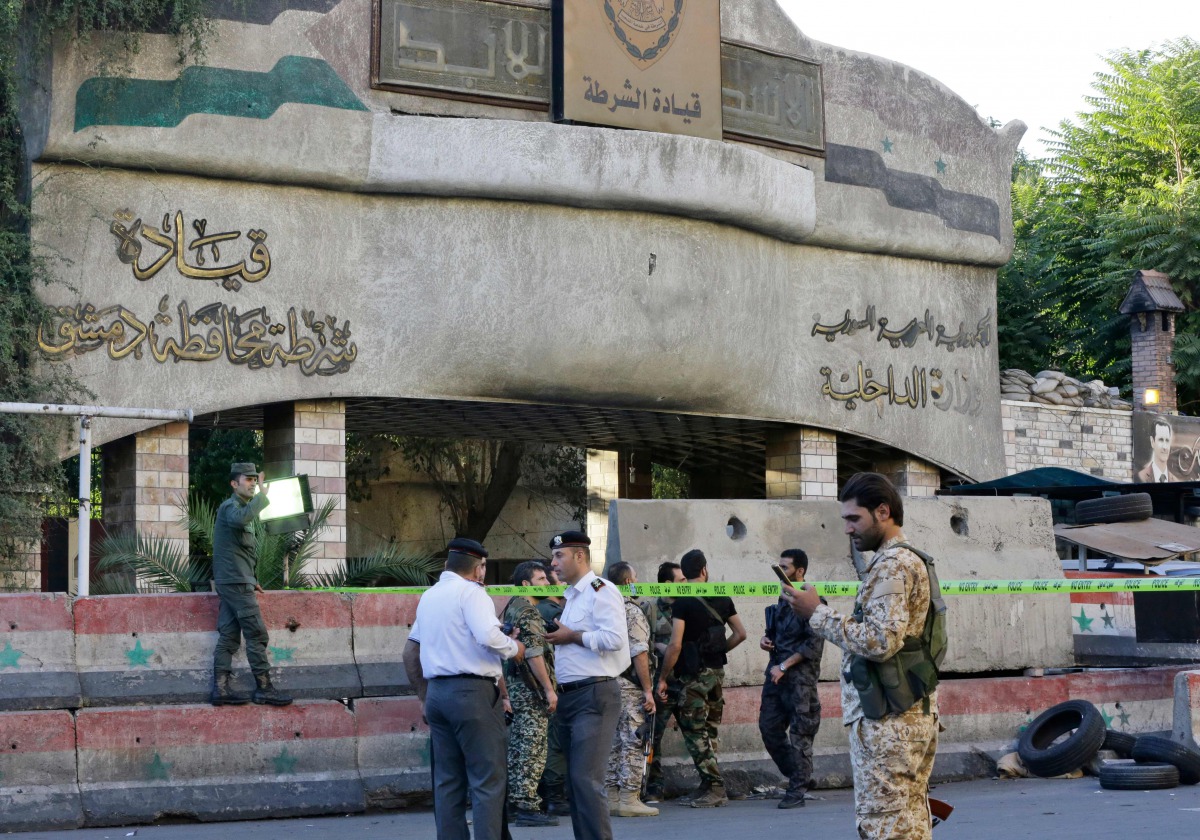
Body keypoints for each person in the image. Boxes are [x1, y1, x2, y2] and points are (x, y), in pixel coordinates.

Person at [783, 472, 939, 840]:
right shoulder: (903, 561)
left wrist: (816, 614)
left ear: (882, 512)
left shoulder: (894, 564)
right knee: (908, 826)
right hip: (905, 713)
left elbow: (881, 640)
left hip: (889, 722)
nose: (848, 529)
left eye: (854, 519)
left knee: (884, 827)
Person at [403, 538, 525, 840]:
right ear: (478, 569)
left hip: (437, 695)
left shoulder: (429, 596)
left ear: (448, 564)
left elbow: (409, 652)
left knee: (447, 782)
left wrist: (423, 696)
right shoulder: (473, 593)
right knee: (487, 781)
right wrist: (515, 647)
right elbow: (487, 636)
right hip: (473, 695)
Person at [544, 531, 630, 840]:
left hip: (594, 695)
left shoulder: (600, 590)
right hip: (571, 697)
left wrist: (572, 636)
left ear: (580, 556)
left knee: (586, 779)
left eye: (559, 556)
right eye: (554, 557)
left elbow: (615, 639)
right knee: (576, 782)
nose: (554, 564)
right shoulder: (571, 597)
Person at [657, 549, 747, 808]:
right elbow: (741, 633)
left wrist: (663, 677)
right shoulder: (722, 595)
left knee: (694, 731)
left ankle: (716, 787)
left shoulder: (682, 601)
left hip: (693, 675)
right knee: (710, 729)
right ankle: (708, 785)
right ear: (705, 570)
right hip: (717, 672)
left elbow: (675, 645)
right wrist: (718, 652)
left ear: (684, 574)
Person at [210, 462, 291, 707]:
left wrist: (251, 578)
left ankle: (220, 690)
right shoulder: (232, 507)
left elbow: (240, 551)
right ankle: (264, 688)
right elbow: (239, 520)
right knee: (256, 633)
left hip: (236, 580)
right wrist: (263, 497)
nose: (254, 483)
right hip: (234, 583)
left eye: (255, 479)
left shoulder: (242, 508)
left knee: (229, 636)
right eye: (248, 479)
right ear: (234, 484)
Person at [759, 548, 825, 809]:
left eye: (785, 568)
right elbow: (774, 635)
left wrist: (784, 666)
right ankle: (801, 775)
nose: (780, 573)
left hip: (800, 682)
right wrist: (766, 641)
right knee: (769, 729)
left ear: (800, 572)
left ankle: (797, 790)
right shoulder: (782, 600)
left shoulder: (813, 604)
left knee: (801, 736)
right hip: (776, 678)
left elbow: (813, 645)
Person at [503, 561, 560, 827]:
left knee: (521, 746)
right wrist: (549, 689)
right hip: (529, 689)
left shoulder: (513, 606)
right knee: (532, 748)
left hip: (517, 687)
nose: (547, 584)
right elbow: (535, 652)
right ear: (526, 584)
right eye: (541, 580)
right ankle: (527, 806)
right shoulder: (527, 611)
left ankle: (518, 802)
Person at [604, 562, 658, 817]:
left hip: (605, 682)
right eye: (635, 578)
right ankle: (629, 798)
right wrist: (648, 690)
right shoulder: (631, 611)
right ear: (628, 583)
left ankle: (612, 797)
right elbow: (639, 652)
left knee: (613, 741)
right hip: (628, 684)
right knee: (634, 739)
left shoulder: (603, 608)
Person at [644, 560, 684, 802]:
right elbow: (639, 642)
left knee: (699, 735)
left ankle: (710, 784)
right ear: (667, 584)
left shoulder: (688, 607)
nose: (686, 585)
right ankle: (653, 786)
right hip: (661, 684)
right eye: (681, 581)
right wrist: (656, 646)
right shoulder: (650, 609)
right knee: (653, 736)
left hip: (687, 683)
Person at [536, 562, 571, 817]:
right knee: (555, 742)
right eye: (558, 580)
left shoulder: (531, 608)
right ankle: (555, 797)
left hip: (538, 683)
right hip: (554, 683)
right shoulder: (555, 612)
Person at [1136, 417, 1174, 482]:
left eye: (1167, 440)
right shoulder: (1140, 477)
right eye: (1161, 440)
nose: (1165, 447)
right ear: (1152, 442)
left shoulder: (1175, 481)